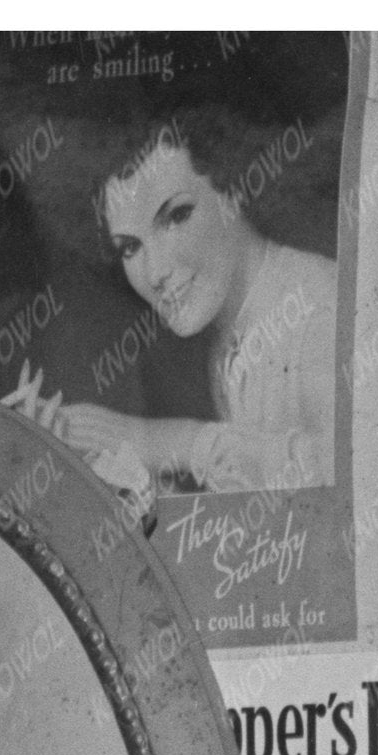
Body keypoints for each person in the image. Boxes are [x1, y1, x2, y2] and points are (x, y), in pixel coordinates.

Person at [42, 100, 340, 504]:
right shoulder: (227, 340)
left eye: (176, 217)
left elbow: (341, 477)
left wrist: (179, 442)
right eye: (130, 247)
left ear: (233, 190)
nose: (156, 272)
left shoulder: (321, 304)